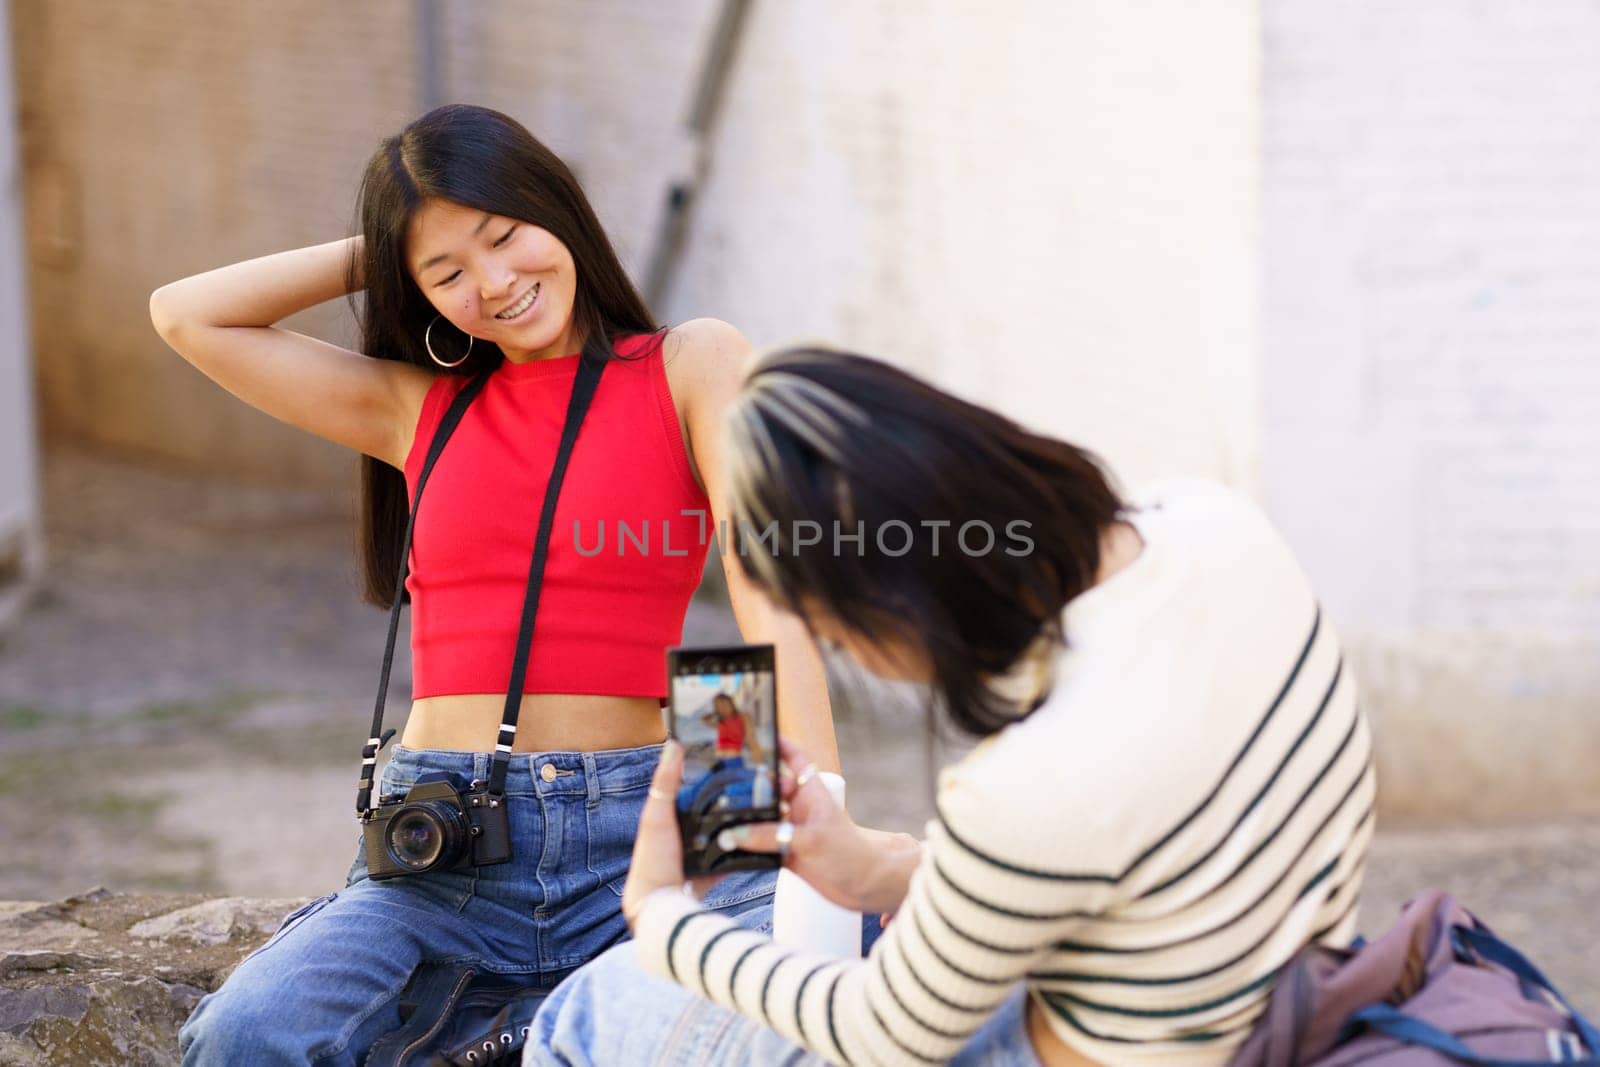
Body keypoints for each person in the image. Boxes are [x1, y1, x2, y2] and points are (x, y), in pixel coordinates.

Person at [149, 104, 838, 1065]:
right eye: (448, 272)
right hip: (447, 844)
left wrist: (814, 808)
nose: (495, 283)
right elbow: (186, 312)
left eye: (505, 234)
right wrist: (392, 236)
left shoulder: (689, 361)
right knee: (247, 1030)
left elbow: (768, 579)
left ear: (555, 208)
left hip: (649, 826)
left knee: (783, 998)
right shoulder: (415, 406)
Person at [530, 348, 1375, 1066]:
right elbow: (1138, 840)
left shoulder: (1026, 788)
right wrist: (878, 869)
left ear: (899, 605)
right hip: (1280, 990)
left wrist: (665, 915)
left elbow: (883, 1032)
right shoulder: (1215, 522)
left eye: (834, 630)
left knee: (588, 1010)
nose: (851, 657)